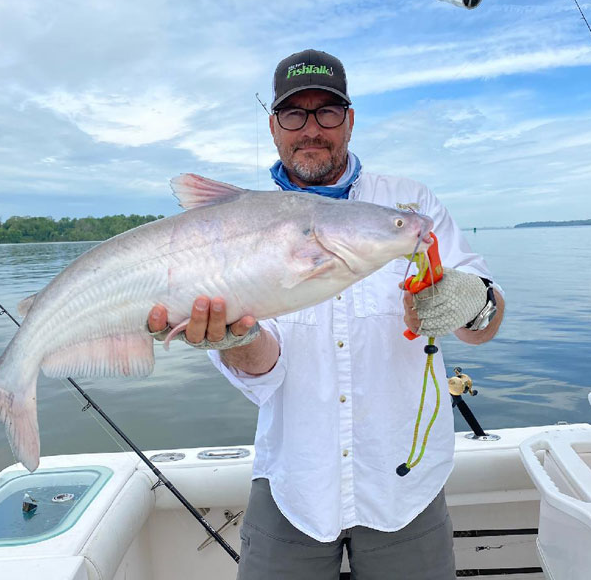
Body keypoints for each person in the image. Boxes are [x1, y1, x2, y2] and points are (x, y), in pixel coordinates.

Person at [148, 49, 505, 580]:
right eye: (295, 114)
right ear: (274, 126)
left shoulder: (407, 207)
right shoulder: (231, 229)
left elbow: (484, 324)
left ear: (350, 119)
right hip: (294, 483)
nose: (311, 129)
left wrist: (472, 302)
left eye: (327, 112)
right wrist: (235, 341)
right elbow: (264, 371)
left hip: (404, 484)